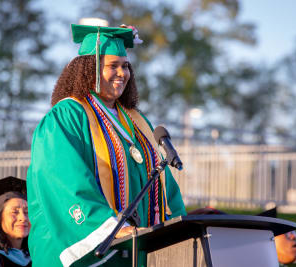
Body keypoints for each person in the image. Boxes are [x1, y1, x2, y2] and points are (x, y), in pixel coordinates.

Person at [27, 24, 186, 266]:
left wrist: (178, 229)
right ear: (90, 69)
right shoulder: (67, 115)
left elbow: (165, 187)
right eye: (113, 66)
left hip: (133, 248)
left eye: (126, 66)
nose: (122, 73)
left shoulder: (137, 121)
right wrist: (106, 228)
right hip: (92, 250)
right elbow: (62, 179)